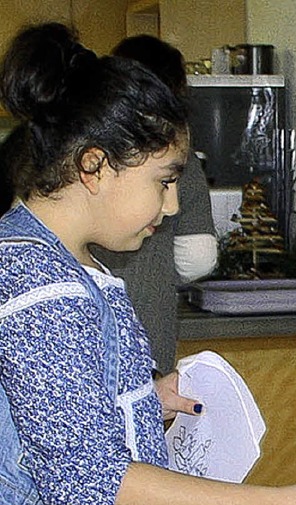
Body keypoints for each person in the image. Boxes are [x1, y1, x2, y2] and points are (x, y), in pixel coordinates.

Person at [0, 22, 296, 505]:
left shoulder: (72, 265)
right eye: (164, 181)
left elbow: (49, 423)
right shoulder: (43, 287)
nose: (174, 205)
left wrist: (137, 401)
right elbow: (93, 485)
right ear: (94, 167)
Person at [91, 34, 218, 376]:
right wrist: (157, 271)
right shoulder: (177, 157)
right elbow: (200, 255)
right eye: (164, 185)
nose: (170, 206)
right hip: (151, 326)